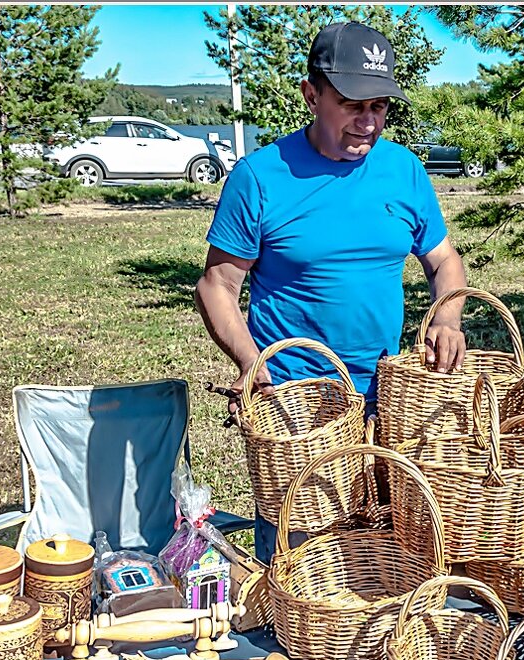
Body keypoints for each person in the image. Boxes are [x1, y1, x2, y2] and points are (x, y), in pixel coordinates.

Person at [195, 21, 468, 564]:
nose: (368, 122)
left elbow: (443, 261)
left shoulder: (404, 171)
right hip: (300, 410)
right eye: (351, 105)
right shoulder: (260, 177)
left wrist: (448, 318)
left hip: (394, 405)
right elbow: (217, 286)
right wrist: (251, 363)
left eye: (380, 107)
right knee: (299, 566)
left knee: (387, 559)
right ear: (312, 94)